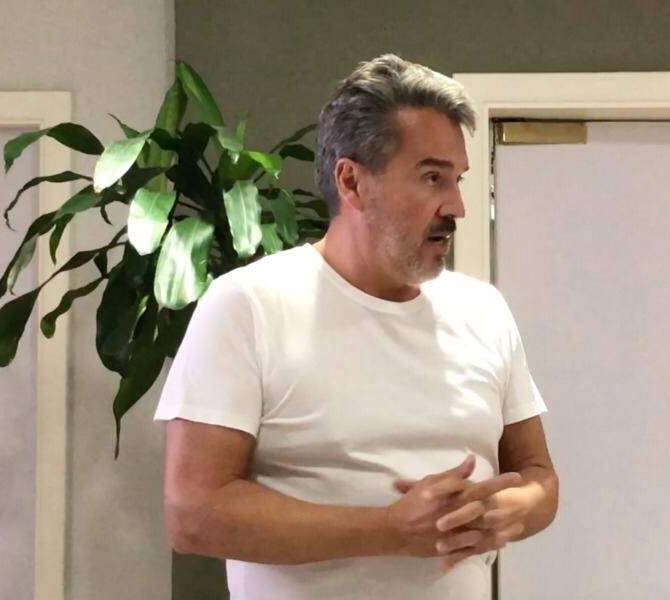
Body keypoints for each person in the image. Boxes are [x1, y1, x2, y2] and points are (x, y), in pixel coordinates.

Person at [155, 54, 559, 600]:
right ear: (352, 182)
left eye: (457, 180)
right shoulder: (247, 305)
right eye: (432, 177)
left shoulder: (484, 310)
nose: (457, 207)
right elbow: (193, 512)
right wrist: (391, 530)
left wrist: (509, 509)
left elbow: (538, 476)